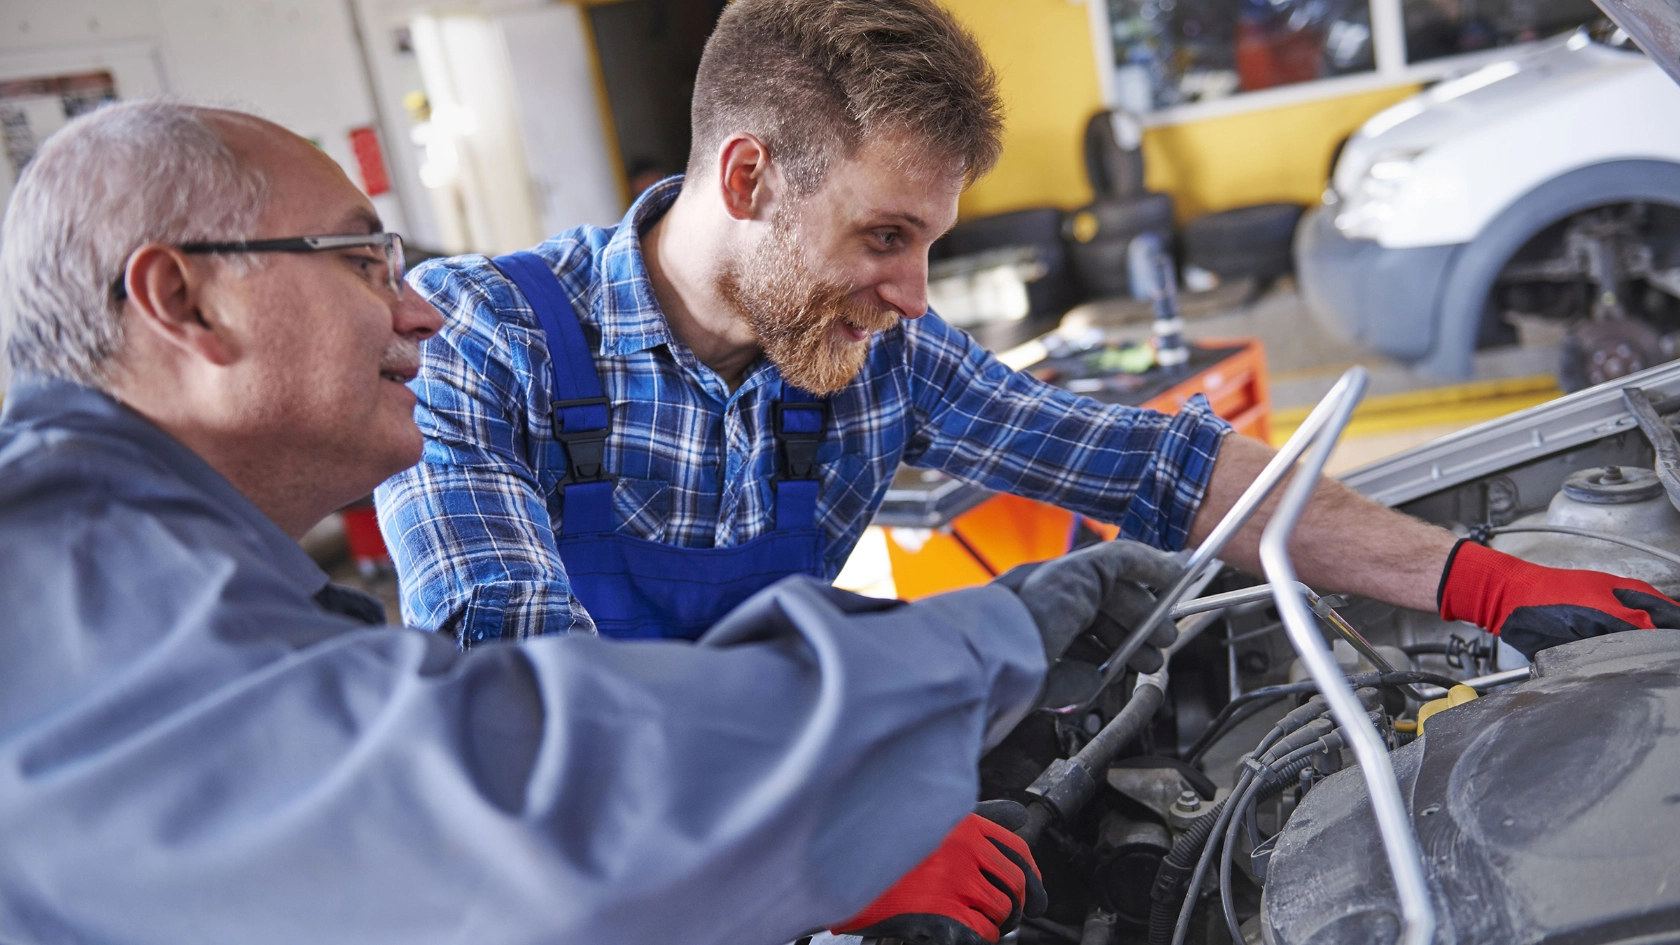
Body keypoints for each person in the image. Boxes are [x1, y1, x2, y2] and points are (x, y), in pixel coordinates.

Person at [0, 99, 1194, 945]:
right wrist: (977, 656)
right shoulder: (69, 605)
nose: (418, 311)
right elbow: (530, 816)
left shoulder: (191, 583)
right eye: (365, 262)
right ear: (182, 300)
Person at [378, 0, 1680, 667]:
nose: (915, 293)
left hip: (772, 763)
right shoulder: (473, 344)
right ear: (747, 179)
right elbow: (514, 687)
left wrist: (1469, 578)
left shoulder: (874, 349)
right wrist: (811, 841)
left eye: (932, 243)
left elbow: (1154, 467)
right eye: (886, 235)